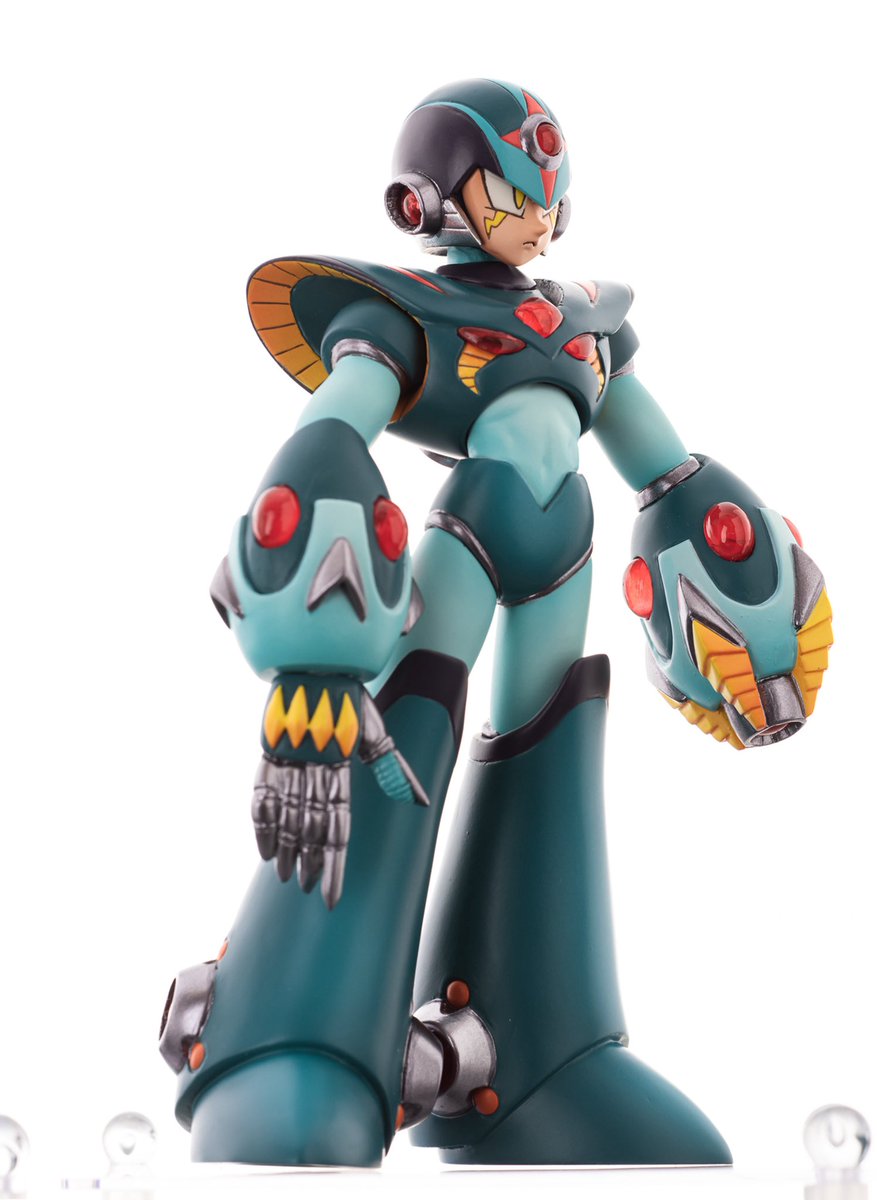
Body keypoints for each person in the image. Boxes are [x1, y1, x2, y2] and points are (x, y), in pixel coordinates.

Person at [160, 78, 831, 1168]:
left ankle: (539, 1049)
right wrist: (318, 654)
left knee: (551, 756)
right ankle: (291, 1032)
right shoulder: (399, 317)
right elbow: (332, 436)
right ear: (427, 202)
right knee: (396, 751)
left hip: (557, 566)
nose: (538, 215)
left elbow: (666, 472)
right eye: (511, 192)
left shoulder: (582, 324)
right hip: (459, 551)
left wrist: (749, 614)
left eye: (547, 194)